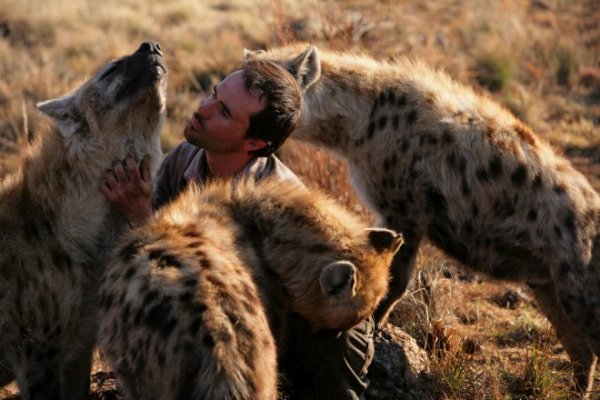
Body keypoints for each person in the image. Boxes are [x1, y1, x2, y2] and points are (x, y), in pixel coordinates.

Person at [101, 58, 375, 399]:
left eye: (224, 112)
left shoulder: (281, 201)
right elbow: (158, 266)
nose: (203, 109)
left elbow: (234, 293)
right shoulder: (186, 158)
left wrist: (140, 214)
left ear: (254, 143)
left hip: (290, 322)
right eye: (214, 94)